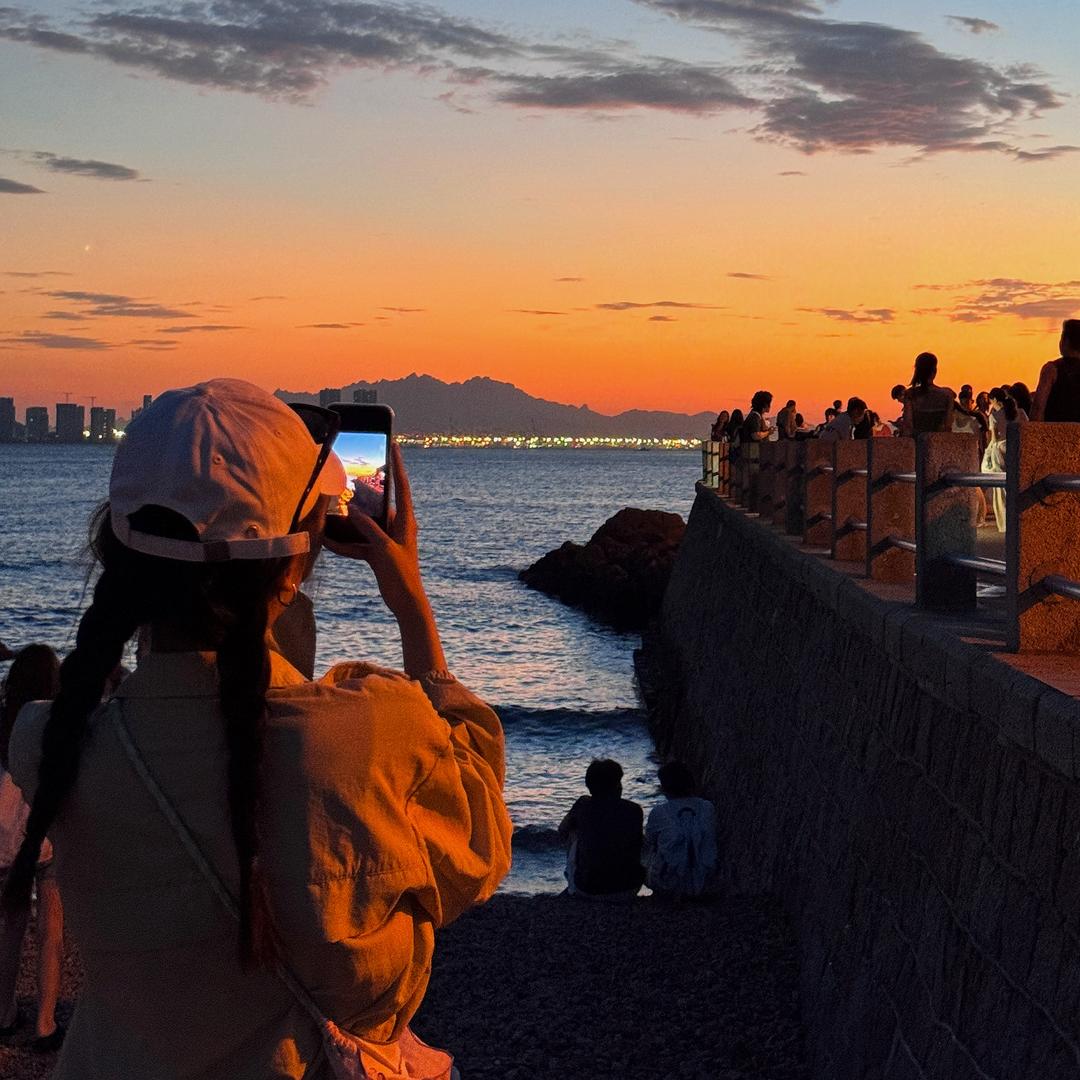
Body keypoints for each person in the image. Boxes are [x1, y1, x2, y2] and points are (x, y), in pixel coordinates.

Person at [4, 379, 512, 1079]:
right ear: (298, 558)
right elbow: (479, 849)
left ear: (117, 552)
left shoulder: (49, 744)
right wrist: (411, 606)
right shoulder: (367, 735)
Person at [0, 644, 64, 1054]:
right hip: (47, 837)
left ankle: (4, 1013)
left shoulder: (5, 719)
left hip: (5, 835)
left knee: (10, 926)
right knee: (52, 930)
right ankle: (44, 1021)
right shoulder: (56, 720)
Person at [558, 759, 644, 900]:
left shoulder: (583, 806)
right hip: (629, 889)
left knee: (572, 832)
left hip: (587, 889)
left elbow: (562, 830)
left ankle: (573, 883)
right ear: (617, 785)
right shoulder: (634, 809)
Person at [643, 763, 717, 901]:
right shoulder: (707, 807)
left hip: (667, 883)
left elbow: (649, 841)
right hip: (705, 880)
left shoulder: (659, 812)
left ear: (664, 787)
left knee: (646, 847)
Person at [983, 387, 1025, 533]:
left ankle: (1005, 523)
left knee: (1001, 488)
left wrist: (987, 454)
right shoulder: (1020, 412)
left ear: (994, 400)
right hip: (1018, 448)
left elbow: (993, 439)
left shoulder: (994, 416)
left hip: (1001, 450)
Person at [1032, 320, 1080, 421]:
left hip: (1056, 432)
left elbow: (1038, 407)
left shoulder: (1052, 369)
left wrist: (1035, 432)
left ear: (1065, 341)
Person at [900, 352, 955, 435]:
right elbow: (948, 426)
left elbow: (908, 426)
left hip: (918, 442)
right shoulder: (947, 395)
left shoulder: (910, 394)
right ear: (934, 371)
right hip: (938, 442)